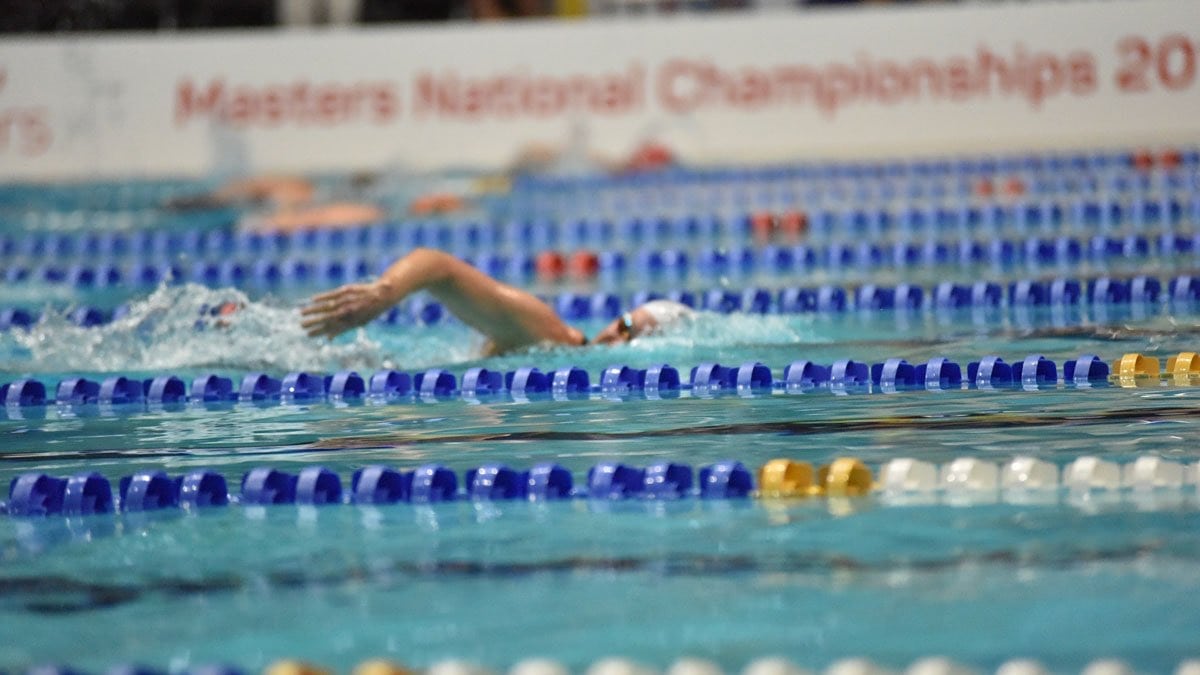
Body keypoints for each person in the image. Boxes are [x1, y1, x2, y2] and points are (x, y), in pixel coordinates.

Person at [300, 247, 692, 354]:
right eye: (623, 323)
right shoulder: (550, 335)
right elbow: (438, 266)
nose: (615, 336)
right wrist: (384, 292)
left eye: (631, 335)